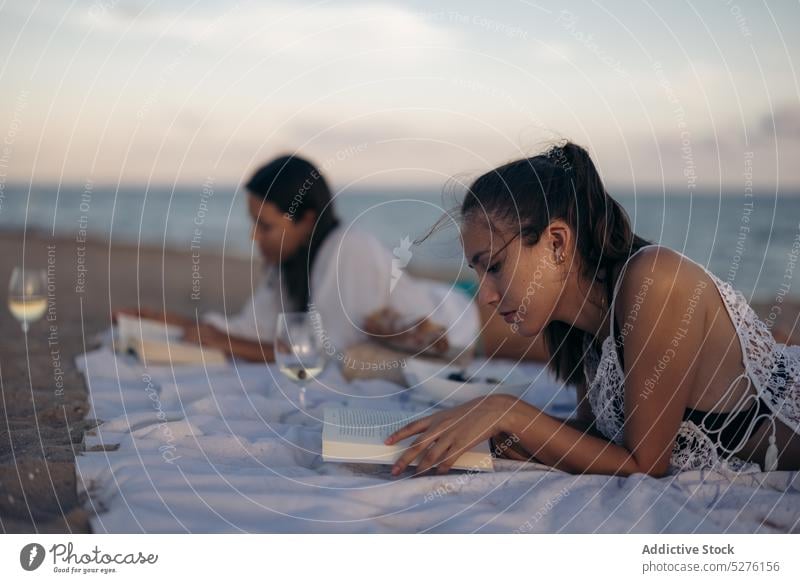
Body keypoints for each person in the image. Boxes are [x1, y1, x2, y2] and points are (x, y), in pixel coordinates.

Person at [386, 140, 800, 477]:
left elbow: (645, 462)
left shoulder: (652, 281)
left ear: (557, 243)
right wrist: (496, 432)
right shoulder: (582, 326)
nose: (487, 296)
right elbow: (602, 441)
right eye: (479, 273)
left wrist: (506, 411)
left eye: (494, 266)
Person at [117, 155, 545, 364]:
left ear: (305, 220)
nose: (254, 237)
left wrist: (222, 341)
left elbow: (322, 350)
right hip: (450, 306)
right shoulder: (289, 262)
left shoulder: (347, 249)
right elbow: (250, 328)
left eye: (265, 226)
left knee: (573, 354)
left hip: (466, 318)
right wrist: (161, 321)